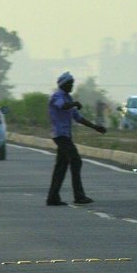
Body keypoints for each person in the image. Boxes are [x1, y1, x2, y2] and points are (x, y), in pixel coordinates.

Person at [46, 71, 107, 206]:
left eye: (72, 84)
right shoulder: (58, 96)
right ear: (63, 84)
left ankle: (53, 197)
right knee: (76, 160)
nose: (72, 86)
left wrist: (95, 127)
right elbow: (62, 106)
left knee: (61, 166)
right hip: (60, 135)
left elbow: (78, 118)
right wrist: (74, 103)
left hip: (65, 135)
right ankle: (78, 196)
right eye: (70, 84)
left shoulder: (68, 98)